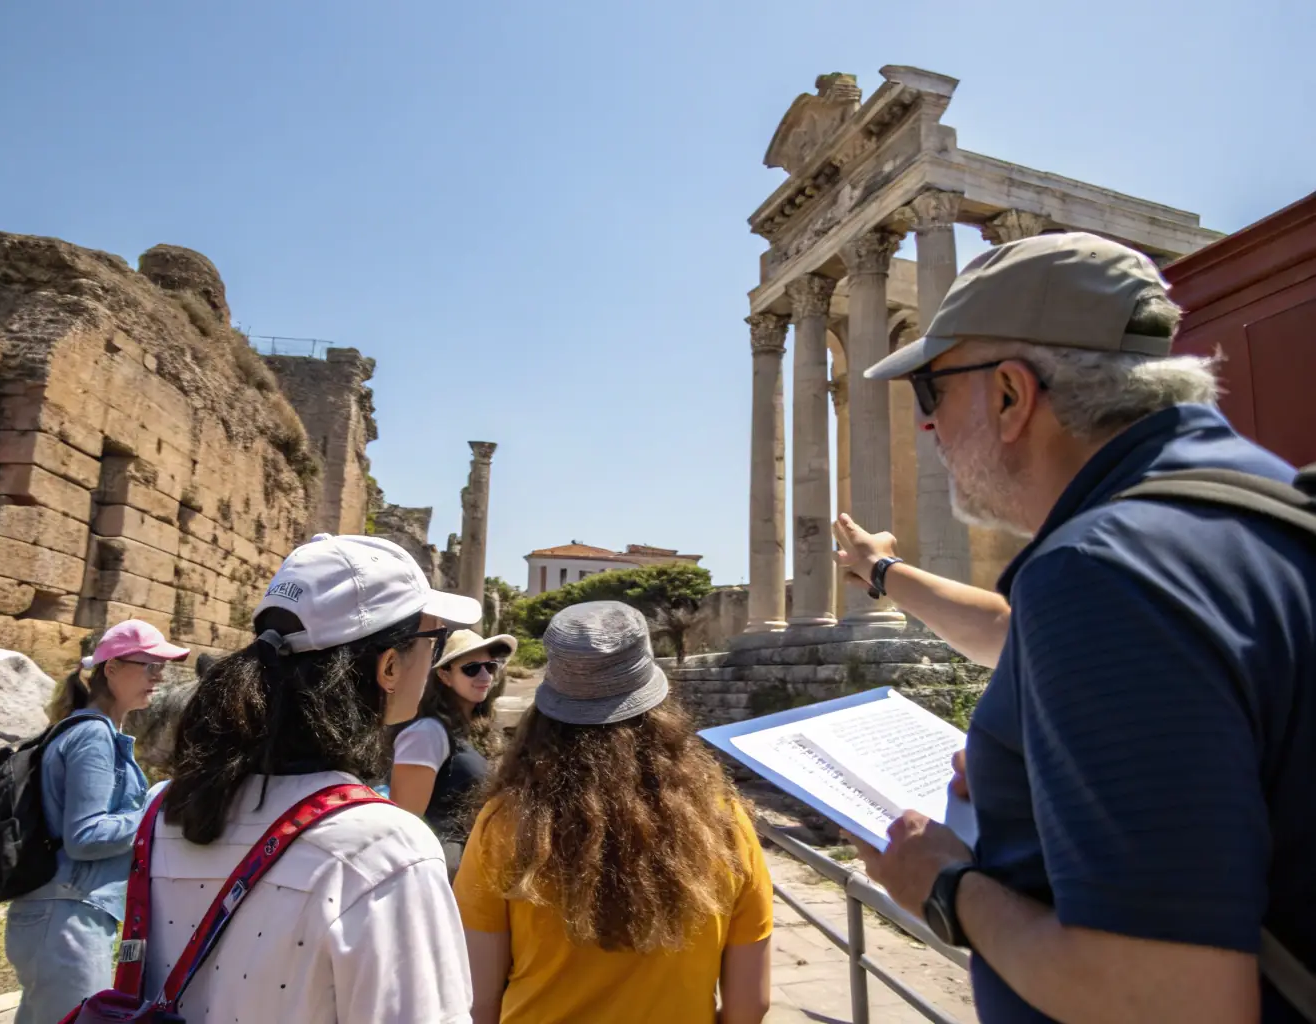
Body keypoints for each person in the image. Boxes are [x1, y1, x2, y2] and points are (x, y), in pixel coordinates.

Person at [833, 232, 1315, 1023]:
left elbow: (1169, 1005)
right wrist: (885, 573)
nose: (925, 428)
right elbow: (1014, 633)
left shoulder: (1101, 573)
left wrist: (946, 886)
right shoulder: (1243, 504)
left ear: (1010, 396)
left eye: (929, 391)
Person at [139, 533, 481, 1023]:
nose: (436, 657)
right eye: (436, 641)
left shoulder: (162, 808)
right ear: (388, 665)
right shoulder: (386, 850)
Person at [453, 601, 774, 1024]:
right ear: (657, 702)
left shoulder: (505, 822)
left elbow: (477, 997)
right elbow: (751, 1005)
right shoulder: (723, 822)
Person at [4, 619, 190, 1024]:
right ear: (111, 668)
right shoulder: (93, 735)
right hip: (66, 919)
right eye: (149, 666)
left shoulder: (92, 730)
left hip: (56, 915)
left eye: (162, 668)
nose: (158, 677)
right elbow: (86, 836)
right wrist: (154, 811)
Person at [391, 628, 516, 871]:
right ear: (445, 676)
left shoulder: (476, 728)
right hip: (442, 871)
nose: (484, 676)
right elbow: (405, 822)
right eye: (471, 668)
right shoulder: (427, 733)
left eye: (490, 667)